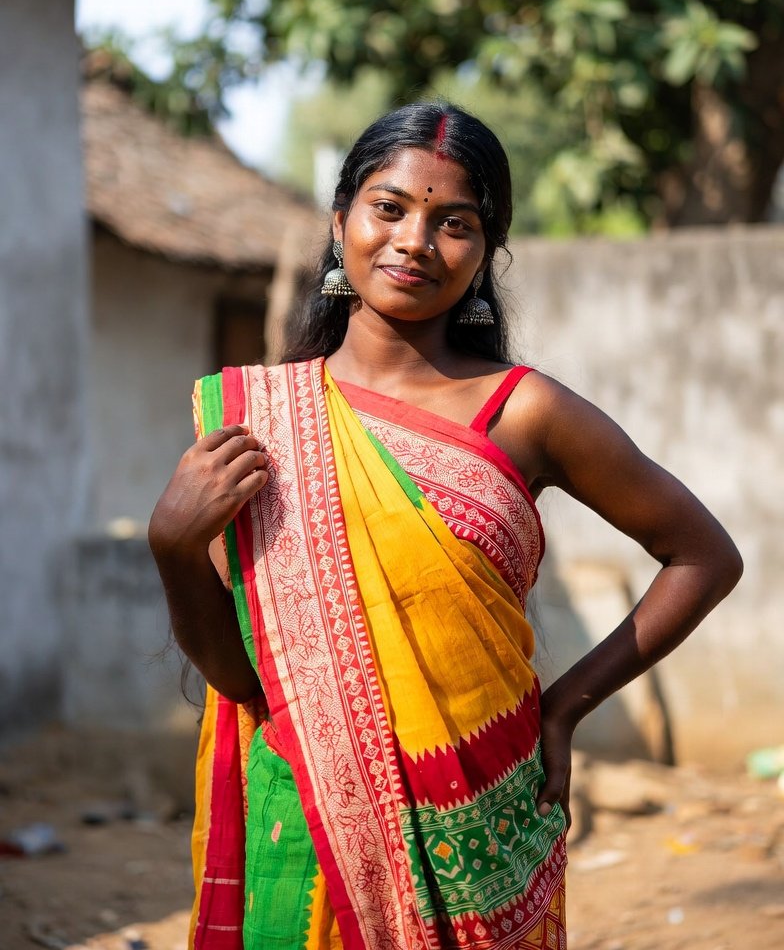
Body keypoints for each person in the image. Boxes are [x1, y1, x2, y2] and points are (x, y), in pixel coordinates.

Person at [148, 102, 742, 950]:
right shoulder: (263, 422)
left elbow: (704, 555)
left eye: (454, 222)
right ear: (340, 221)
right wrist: (172, 547)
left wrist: (566, 708)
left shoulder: (526, 412)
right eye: (388, 208)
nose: (415, 241)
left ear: (488, 250)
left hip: (486, 812)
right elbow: (243, 682)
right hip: (310, 818)